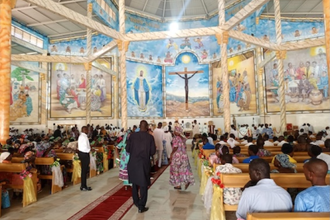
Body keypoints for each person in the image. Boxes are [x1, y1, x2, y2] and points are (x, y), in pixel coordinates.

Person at [127, 120, 156, 213]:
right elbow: (152, 152)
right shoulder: (150, 137)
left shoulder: (132, 136)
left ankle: (136, 202)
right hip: (144, 163)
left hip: (133, 162)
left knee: (135, 183)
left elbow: (127, 149)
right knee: (143, 184)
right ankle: (141, 206)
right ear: (147, 127)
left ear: (139, 126)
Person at [169, 126, 195, 190]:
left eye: (175, 130)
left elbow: (175, 147)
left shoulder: (176, 138)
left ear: (177, 131)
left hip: (177, 156)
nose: (173, 132)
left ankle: (178, 185)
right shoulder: (183, 138)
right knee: (184, 169)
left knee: (176, 170)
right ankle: (187, 180)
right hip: (184, 156)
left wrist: (171, 154)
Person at [78, 126, 92, 191]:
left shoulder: (82, 136)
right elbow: (85, 147)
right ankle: (83, 186)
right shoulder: (83, 137)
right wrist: (89, 150)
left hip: (82, 153)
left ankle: (84, 185)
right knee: (84, 170)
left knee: (84, 170)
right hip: (84, 154)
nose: (88, 131)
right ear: (84, 130)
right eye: (87, 130)